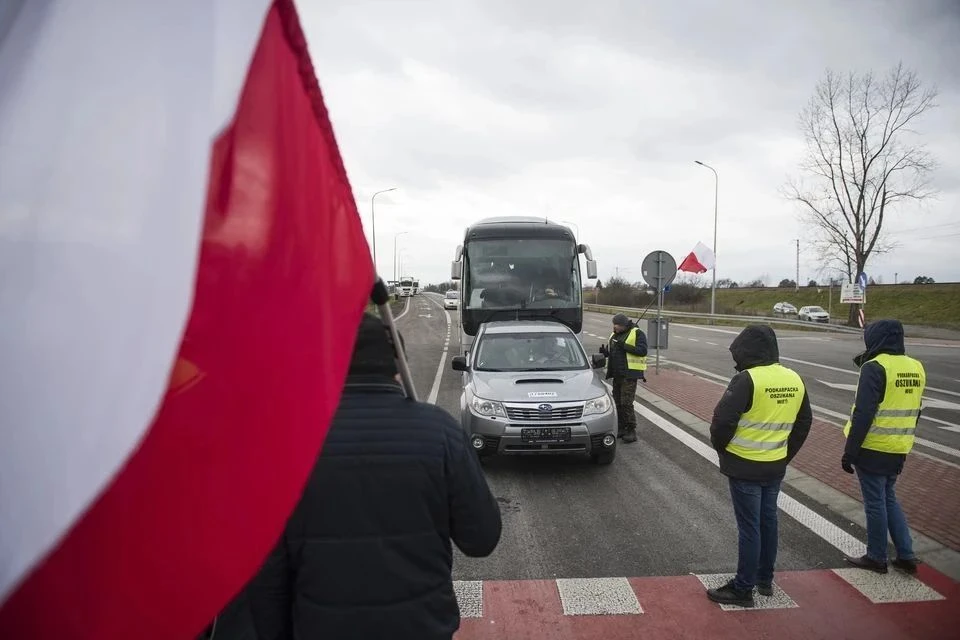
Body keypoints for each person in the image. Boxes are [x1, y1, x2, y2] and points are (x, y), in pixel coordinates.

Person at [247, 312, 502, 640]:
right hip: (420, 628)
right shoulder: (439, 432)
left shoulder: (291, 444)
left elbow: (267, 577)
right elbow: (482, 539)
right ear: (399, 364)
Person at [707, 325, 812, 607]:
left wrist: (723, 450)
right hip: (775, 466)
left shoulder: (747, 380)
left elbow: (722, 422)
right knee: (768, 523)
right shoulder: (794, 378)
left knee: (750, 528)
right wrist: (784, 454)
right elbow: (803, 423)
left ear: (747, 350)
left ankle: (743, 588)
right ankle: (765, 579)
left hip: (745, 467)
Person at [842, 319, 923, 575]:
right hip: (899, 445)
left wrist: (850, 451)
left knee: (875, 503)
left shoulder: (875, 367)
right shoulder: (916, 367)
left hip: (873, 446)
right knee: (889, 498)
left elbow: (864, 413)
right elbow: (916, 410)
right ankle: (906, 554)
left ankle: (876, 557)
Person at [600, 313, 648, 442]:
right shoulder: (614, 335)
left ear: (624, 325)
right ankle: (621, 427)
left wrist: (624, 346)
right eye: (614, 324)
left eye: (618, 325)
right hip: (617, 374)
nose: (615, 327)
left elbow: (642, 350)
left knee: (626, 402)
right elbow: (616, 353)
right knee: (617, 402)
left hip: (629, 374)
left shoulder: (637, 333)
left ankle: (631, 429)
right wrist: (606, 353)